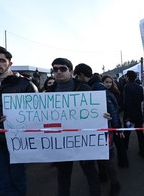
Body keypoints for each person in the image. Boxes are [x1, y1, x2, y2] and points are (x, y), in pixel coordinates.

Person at [47, 58, 101, 196]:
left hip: (83, 139)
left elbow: (95, 111)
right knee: (63, 177)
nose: (58, 72)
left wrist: (102, 115)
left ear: (71, 71)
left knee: (91, 173)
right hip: (61, 141)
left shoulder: (84, 88)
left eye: (63, 69)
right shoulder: (50, 91)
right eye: (55, 69)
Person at [0, 46, 37, 196]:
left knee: (17, 178)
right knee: (1, 181)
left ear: (10, 63)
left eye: (1, 60)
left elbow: (35, 111)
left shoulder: (23, 84)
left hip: (15, 140)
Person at [73, 63, 121, 196]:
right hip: (93, 130)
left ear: (81, 75)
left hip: (103, 130)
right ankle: (103, 177)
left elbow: (112, 109)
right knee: (100, 159)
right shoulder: (91, 86)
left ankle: (115, 184)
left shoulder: (98, 88)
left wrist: (116, 127)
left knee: (106, 160)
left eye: (77, 75)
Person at [101, 74, 128, 168]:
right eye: (106, 82)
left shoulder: (114, 92)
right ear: (102, 82)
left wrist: (117, 125)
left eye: (110, 82)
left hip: (115, 121)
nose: (108, 84)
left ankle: (123, 162)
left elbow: (120, 105)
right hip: (105, 122)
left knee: (119, 143)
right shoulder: (101, 93)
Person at [123, 70, 144, 158]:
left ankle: (125, 148)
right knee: (140, 133)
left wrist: (127, 116)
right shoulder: (140, 87)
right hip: (138, 112)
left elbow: (127, 102)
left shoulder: (127, 86)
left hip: (129, 114)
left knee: (127, 132)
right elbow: (141, 99)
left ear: (128, 77)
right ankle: (143, 151)